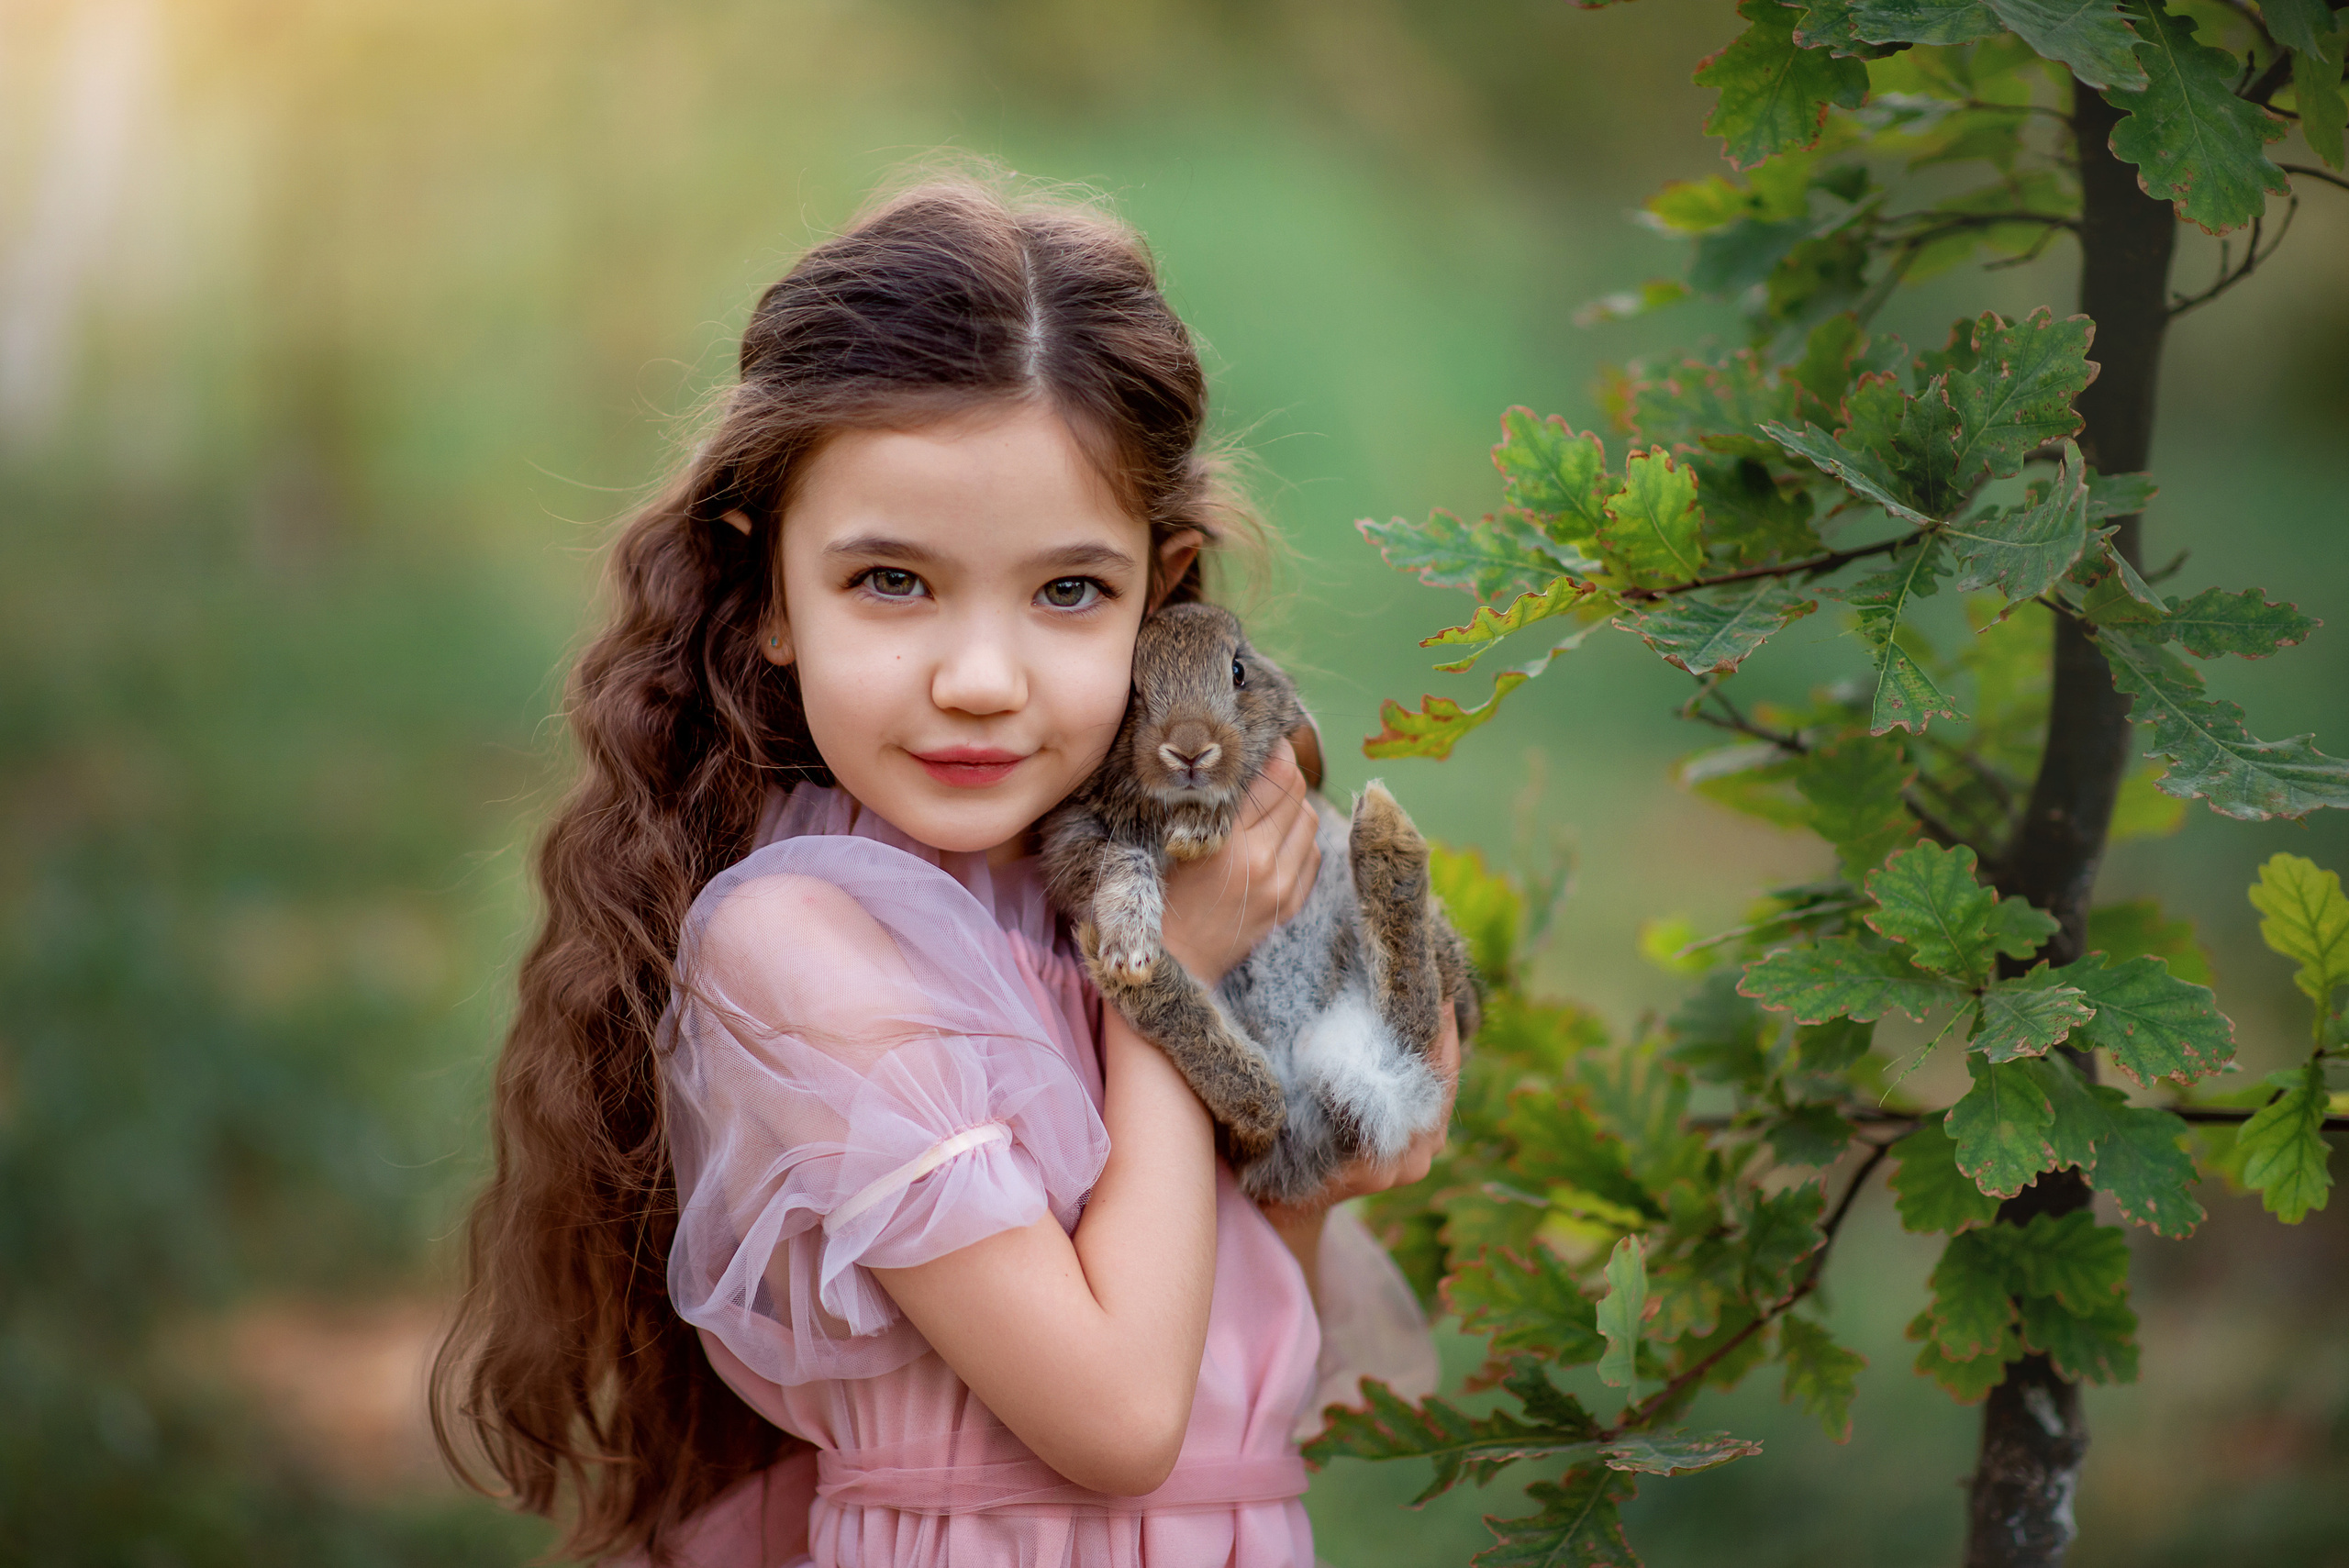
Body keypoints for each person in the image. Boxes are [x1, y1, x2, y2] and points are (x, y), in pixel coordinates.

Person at [433, 172, 1457, 1568]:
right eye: (892, 582)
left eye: (1068, 590)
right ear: (770, 596)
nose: (980, 680)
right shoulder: (806, 945)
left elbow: (1224, 1329)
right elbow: (1114, 1416)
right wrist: (1170, 992)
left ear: (1162, 587)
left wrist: (1324, 1143)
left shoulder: (1120, 878)